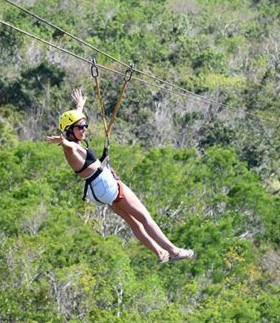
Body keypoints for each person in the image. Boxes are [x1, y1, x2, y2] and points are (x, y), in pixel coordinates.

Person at [45, 89, 195, 263]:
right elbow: (70, 145)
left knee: (134, 222)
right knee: (144, 218)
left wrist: (79, 106)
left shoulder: (73, 140)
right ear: (69, 131)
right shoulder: (70, 147)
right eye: (80, 127)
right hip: (107, 185)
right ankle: (173, 251)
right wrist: (62, 140)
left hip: (99, 192)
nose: (84, 130)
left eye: (85, 126)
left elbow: (73, 128)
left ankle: (160, 252)